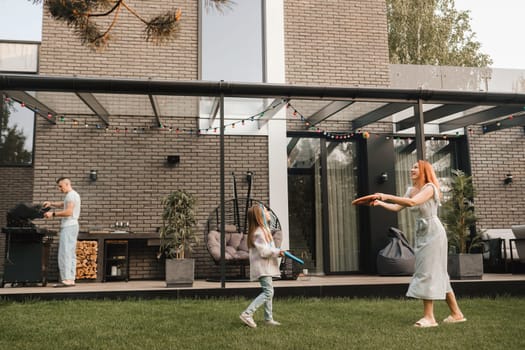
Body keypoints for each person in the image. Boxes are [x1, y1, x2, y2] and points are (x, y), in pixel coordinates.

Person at [370, 160, 466, 328]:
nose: (411, 169)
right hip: (421, 233)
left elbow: (413, 203)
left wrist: (386, 195)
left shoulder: (430, 188)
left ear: (424, 171)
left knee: (426, 272)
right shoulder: (410, 190)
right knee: (440, 274)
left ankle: (429, 317)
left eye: (416, 167)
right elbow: (397, 208)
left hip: (434, 233)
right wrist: (380, 203)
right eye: (412, 166)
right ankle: (456, 313)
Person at [239, 204, 285, 328]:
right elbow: (264, 252)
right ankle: (247, 314)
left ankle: (268, 318)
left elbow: (269, 249)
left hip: (266, 267)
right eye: (265, 211)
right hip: (262, 267)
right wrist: (277, 252)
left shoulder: (264, 230)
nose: (268, 212)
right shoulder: (258, 233)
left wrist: (277, 252)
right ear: (260, 216)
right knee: (268, 292)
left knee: (269, 291)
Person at [43, 177, 81, 287]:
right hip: (73, 226)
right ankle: (71, 279)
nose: (60, 189)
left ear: (67, 184)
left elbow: (68, 212)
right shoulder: (73, 195)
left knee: (65, 253)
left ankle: (67, 279)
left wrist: (52, 214)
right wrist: (51, 204)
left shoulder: (71, 195)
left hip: (69, 226)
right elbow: (63, 204)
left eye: (61, 186)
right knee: (70, 253)